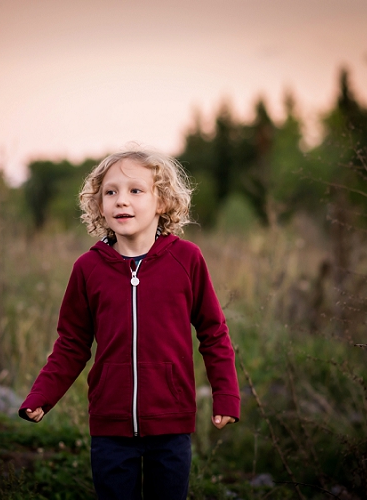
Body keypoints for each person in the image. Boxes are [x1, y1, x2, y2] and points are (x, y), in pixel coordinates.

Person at [19, 147, 241, 500]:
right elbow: (72, 343)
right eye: (111, 192)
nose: (121, 200)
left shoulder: (186, 260)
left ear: (163, 202)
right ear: (99, 205)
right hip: (110, 428)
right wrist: (42, 396)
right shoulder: (88, 269)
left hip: (170, 425)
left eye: (135, 191)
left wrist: (226, 395)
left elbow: (213, 334)